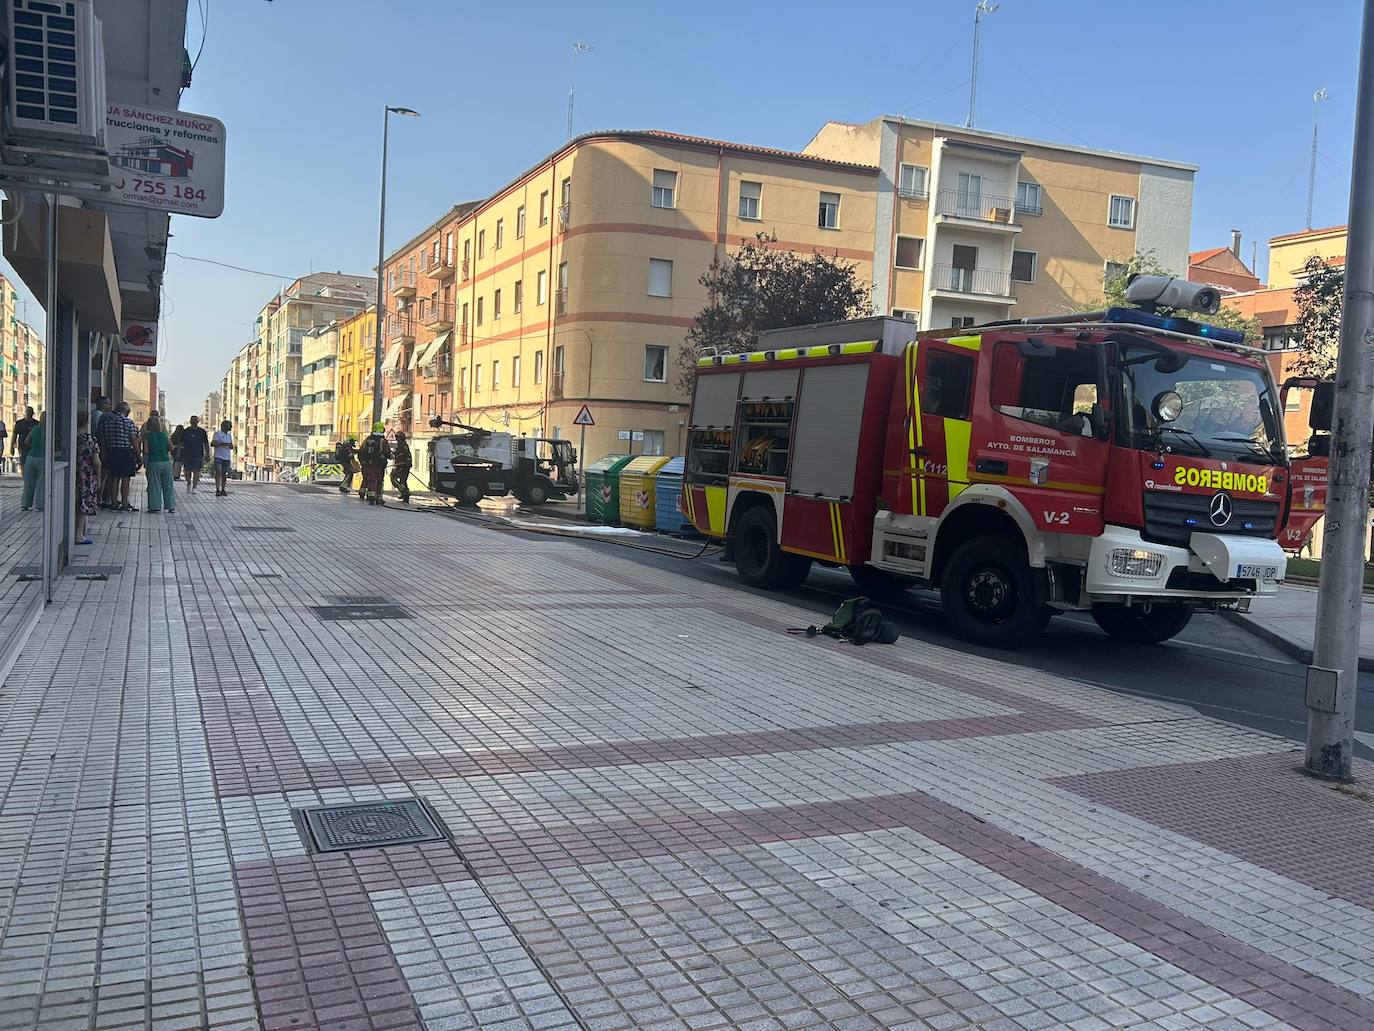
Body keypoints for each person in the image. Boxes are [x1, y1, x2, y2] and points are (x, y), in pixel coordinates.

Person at [97, 401, 140, 512]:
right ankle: (124, 503)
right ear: (126, 411)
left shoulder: (107, 421)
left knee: (114, 478)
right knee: (125, 479)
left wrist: (104, 453)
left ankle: (114, 502)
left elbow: (102, 438)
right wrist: (138, 454)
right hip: (125, 452)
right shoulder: (128, 422)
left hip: (111, 452)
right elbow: (133, 439)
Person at [75, 411, 101, 545]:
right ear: (87, 422)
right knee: (83, 504)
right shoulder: (90, 439)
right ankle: (79, 535)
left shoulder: (71, 438)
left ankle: (75, 532)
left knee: (74, 503)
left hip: (73, 474)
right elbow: (96, 461)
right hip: (86, 476)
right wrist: (99, 477)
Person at [141, 415, 176, 514]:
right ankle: (170, 506)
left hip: (153, 462)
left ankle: (155, 506)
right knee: (168, 485)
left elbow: (146, 451)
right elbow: (172, 447)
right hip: (166, 462)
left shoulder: (147, 436)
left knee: (154, 485)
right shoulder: (164, 435)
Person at [358, 422, 391, 505]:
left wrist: (363, 462)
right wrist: (390, 456)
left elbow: (361, 451)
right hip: (380, 464)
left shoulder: (367, 440)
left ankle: (370, 495)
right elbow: (387, 452)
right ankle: (378, 497)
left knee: (371, 479)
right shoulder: (383, 441)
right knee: (379, 480)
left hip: (368, 464)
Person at [19, 411, 44, 510]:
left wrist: (33, 447)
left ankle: (25, 504)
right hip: (42, 457)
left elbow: (26, 441)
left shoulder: (35, 428)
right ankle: (39, 504)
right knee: (40, 482)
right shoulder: (49, 430)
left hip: (30, 457)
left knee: (28, 482)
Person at [179, 415, 209, 491]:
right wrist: (178, 453)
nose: (194, 421)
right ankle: (189, 483)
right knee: (187, 471)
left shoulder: (202, 432)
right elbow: (180, 443)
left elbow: (206, 443)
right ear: (190, 421)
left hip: (198, 454)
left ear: (198, 421)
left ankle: (194, 487)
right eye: (193, 420)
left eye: (196, 420)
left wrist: (207, 454)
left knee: (197, 471)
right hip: (187, 454)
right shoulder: (185, 431)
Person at [211, 420, 234, 496]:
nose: (230, 427)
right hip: (218, 456)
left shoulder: (229, 435)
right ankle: (217, 489)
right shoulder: (218, 434)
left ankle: (223, 489)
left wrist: (231, 446)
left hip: (226, 457)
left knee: (224, 473)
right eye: (229, 426)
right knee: (218, 472)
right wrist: (222, 444)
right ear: (224, 426)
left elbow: (231, 445)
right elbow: (213, 443)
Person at [390, 430, 413, 503]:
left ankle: (405, 492)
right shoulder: (402, 445)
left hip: (402, 465)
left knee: (394, 478)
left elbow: (405, 455)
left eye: (398, 437)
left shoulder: (402, 445)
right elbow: (399, 454)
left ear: (401, 438)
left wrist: (405, 462)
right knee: (403, 480)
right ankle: (404, 494)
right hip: (402, 465)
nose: (397, 439)